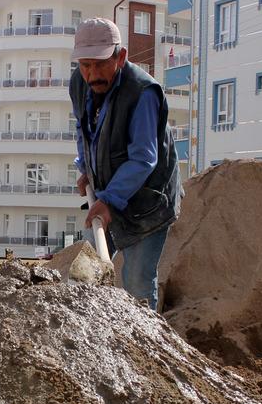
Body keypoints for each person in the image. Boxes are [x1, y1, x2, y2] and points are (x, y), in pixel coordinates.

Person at [69, 17, 181, 310]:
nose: (92, 75)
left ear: (121, 56)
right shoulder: (80, 83)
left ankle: (144, 349)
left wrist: (109, 201)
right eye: (85, 65)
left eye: (100, 64)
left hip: (148, 203)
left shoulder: (143, 93)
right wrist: (86, 168)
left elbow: (144, 157)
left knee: (137, 283)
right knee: (85, 271)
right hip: (110, 191)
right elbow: (84, 129)